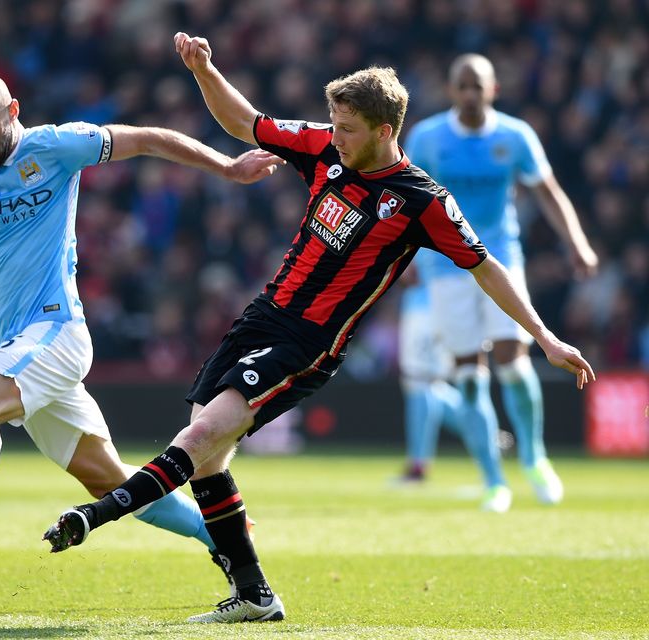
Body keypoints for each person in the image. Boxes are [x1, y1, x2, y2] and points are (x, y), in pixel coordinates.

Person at [42, 33, 596, 624]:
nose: (335, 136)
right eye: (333, 123)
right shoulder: (324, 148)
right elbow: (244, 122)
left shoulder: (421, 200)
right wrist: (205, 70)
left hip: (309, 343)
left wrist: (545, 337)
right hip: (262, 316)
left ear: (385, 130)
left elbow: (487, 267)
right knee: (205, 453)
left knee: (203, 435)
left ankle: (95, 516)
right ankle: (254, 595)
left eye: (348, 128)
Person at [0, 71, 285, 591]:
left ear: (13, 111)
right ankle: (225, 537)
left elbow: (149, 138)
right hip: (17, 343)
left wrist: (227, 166)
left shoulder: (55, 147)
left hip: (57, 328)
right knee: (110, 479)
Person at [404, 54, 599, 511]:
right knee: (469, 377)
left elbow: (548, 191)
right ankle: (494, 480)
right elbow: (405, 200)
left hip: (500, 259)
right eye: (463, 86)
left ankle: (534, 457)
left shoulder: (515, 136)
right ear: (452, 91)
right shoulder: (428, 138)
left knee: (514, 358)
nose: (471, 93)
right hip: (444, 267)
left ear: (493, 90)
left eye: (479, 86)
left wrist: (577, 241)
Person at [394, 264, 465, 484]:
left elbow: (409, 272)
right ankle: (482, 430)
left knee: (420, 381)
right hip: (430, 305)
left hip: (427, 309)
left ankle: (418, 465)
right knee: (429, 385)